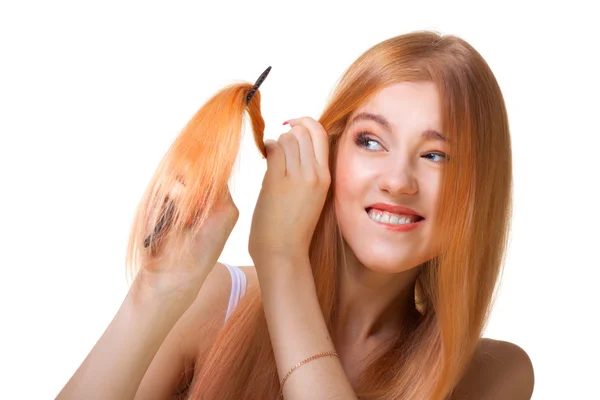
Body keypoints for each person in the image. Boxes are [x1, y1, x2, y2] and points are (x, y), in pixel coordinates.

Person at [57, 30, 534, 399]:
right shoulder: (218, 304)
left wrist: (282, 257)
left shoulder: (492, 375)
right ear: (329, 154)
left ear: (479, 192)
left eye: (435, 155)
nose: (397, 180)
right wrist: (156, 291)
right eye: (371, 141)